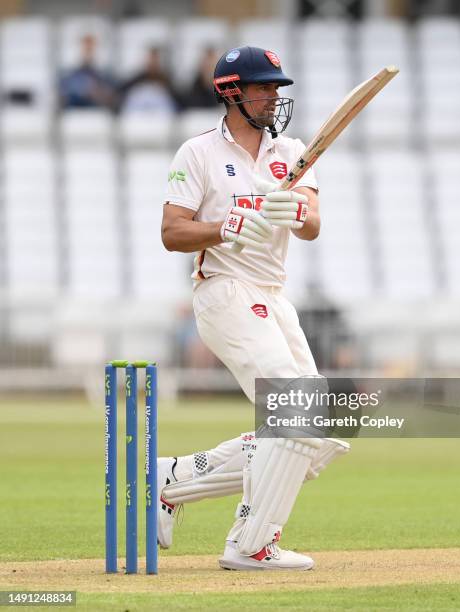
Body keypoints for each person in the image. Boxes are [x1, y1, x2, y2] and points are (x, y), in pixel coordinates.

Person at [158, 46, 350, 571]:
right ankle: (251, 544)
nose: (273, 96)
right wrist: (227, 226)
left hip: (272, 294)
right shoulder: (196, 153)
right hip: (224, 289)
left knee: (312, 434)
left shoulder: (292, 150)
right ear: (230, 91)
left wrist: (296, 210)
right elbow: (172, 232)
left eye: (277, 87)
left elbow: (312, 226)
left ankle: (172, 479)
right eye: (263, 87)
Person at [59, 34, 117, 111]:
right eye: (86, 48)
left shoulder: (106, 74)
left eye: (91, 48)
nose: (88, 52)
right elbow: (64, 93)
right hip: (75, 108)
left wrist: (97, 92)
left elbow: (112, 94)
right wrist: (84, 90)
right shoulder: (69, 74)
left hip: (98, 109)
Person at [119, 46, 179, 114]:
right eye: (151, 59)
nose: (153, 63)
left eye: (155, 60)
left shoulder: (166, 81)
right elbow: (122, 91)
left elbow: (178, 101)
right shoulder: (138, 79)